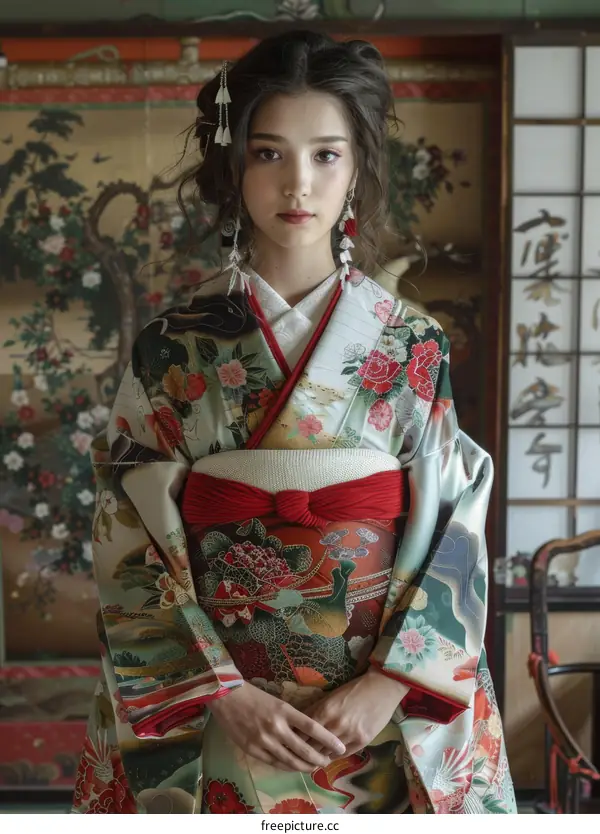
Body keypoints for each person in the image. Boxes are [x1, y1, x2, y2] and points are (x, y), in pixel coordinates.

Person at [72, 30, 516, 815]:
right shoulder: (171, 349)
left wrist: (391, 681)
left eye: (326, 155)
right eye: (269, 153)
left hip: (373, 715)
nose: (298, 184)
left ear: (359, 165)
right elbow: (123, 522)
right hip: (225, 708)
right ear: (233, 163)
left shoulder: (410, 342)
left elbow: (455, 512)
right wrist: (222, 694)